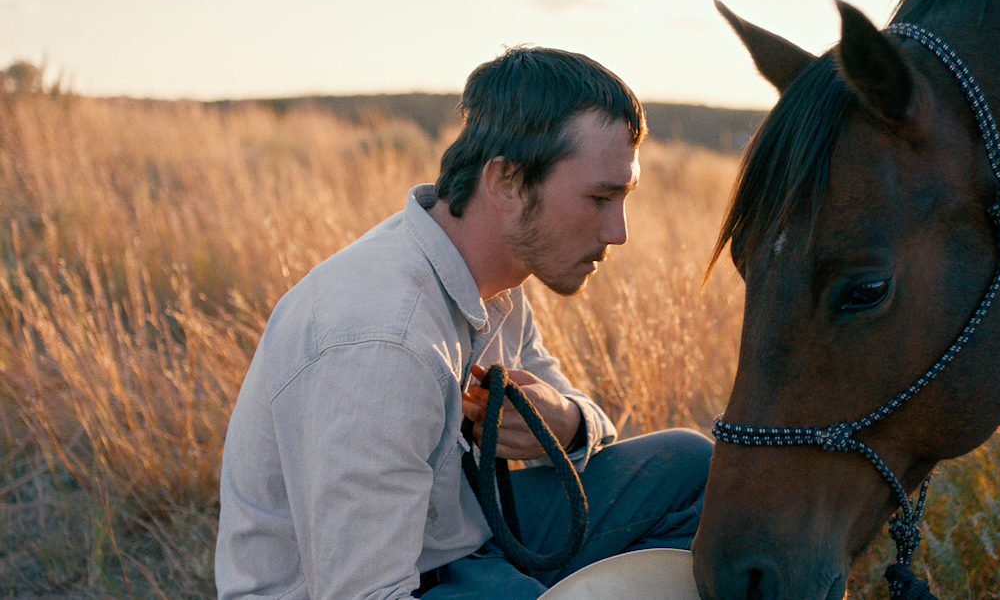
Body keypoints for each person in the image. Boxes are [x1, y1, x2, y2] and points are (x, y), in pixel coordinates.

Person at [215, 45, 713, 600]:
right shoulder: (384, 341)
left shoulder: (492, 279)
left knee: (697, 471)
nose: (618, 232)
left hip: (460, 538)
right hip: (383, 582)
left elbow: (592, 427)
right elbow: (364, 591)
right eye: (599, 197)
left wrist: (564, 422)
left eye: (624, 197)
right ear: (505, 182)